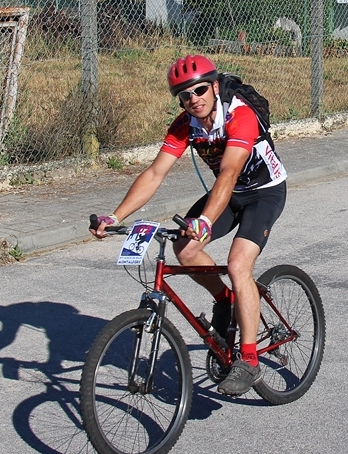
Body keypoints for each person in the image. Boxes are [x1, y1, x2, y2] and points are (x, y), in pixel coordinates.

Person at [90, 54, 287, 396]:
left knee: (240, 263)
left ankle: (250, 360)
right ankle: (224, 299)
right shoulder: (185, 126)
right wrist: (115, 217)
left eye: (199, 90)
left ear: (213, 87)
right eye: (184, 95)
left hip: (263, 193)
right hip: (228, 193)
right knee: (185, 248)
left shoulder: (240, 116)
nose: (193, 99)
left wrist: (206, 221)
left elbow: (228, 172)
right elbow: (155, 174)